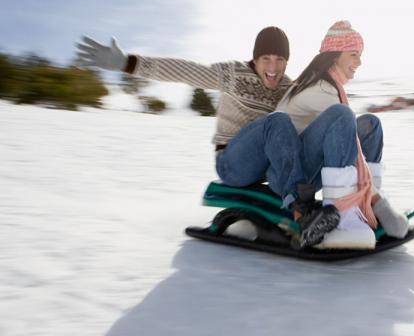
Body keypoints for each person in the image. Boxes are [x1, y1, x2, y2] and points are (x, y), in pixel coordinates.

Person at [74, 27, 339, 247]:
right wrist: (126, 63)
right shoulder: (232, 74)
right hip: (233, 163)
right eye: (266, 59)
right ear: (255, 59)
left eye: (280, 60)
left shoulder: (286, 87)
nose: (273, 67)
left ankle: (335, 203)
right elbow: (184, 70)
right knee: (277, 121)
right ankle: (302, 213)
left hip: (267, 169)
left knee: (295, 126)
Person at [276, 20, 409, 250]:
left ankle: (363, 205)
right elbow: (350, 145)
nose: (360, 61)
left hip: (310, 164)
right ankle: (343, 211)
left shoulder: (329, 84)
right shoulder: (320, 88)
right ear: (336, 54)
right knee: (342, 116)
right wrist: (381, 205)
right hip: (293, 174)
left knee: (370, 124)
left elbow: (351, 143)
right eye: (354, 54)